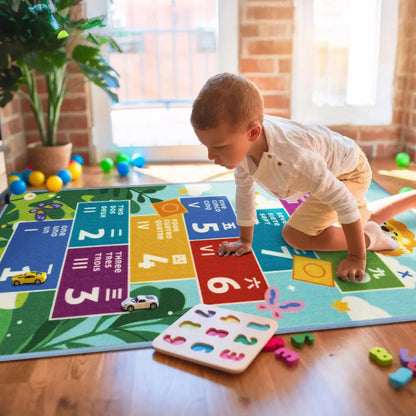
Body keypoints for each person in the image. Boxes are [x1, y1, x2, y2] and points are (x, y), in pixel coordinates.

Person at [190, 73, 416, 283]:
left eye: (218, 147)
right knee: (357, 218)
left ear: (253, 133)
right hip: (337, 160)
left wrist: (357, 256)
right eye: (207, 146)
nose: (211, 156)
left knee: (296, 235)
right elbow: (244, 191)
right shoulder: (244, 142)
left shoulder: (296, 161)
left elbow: (343, 201)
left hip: (349, 173)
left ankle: (371, 239)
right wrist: (245, 241)